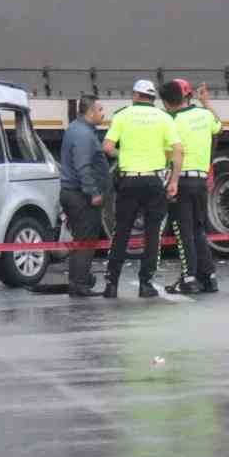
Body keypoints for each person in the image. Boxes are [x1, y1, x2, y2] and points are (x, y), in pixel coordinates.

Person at [102, 79, 183, 299]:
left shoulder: (122, 115)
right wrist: (173, 180)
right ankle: (145, 284)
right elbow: (177, 150)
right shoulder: (165, 118)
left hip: (129, 181)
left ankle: (111, 283)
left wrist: (124, 155)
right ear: (152, 97)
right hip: (154, 182)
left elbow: (107, 147)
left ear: (136, 95)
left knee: (122, 232)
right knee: (152, 233)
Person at [162, 79, 221, 295]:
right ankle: (209, 277)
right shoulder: (205, 115)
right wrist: (206, 102)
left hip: (182, 180)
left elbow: (169, 151)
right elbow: (219, 126)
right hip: (201, 181)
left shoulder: (171, 120)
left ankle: (188, 279)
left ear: (167, 102)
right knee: (198, 230)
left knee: (182, 231)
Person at [58, 95, 110, 297]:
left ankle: (80, 280)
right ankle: (79, 284)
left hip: (75, 194)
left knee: (82, 238)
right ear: (90, 112)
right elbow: (83, 167)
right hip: (81, 195)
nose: (103, 113)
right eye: (100, 109)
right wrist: (94, 192)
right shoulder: (83, 135)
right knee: (86, 240)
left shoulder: (77, 129)